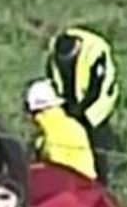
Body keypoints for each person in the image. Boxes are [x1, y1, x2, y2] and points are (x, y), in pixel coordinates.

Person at [45, 26, 118, 184]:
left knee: (97, 142)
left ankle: (102, 180)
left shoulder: (96, 52)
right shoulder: (56, 52)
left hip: (97, 106)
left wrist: (84, 114)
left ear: (77, 49)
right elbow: (53, 77)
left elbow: (98, 88)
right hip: (70, 101)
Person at [24, 78, 97, 181]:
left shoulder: (56, 132)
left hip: (72, 187)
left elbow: (56, 169)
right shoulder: (64, 125)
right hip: (84, 186)